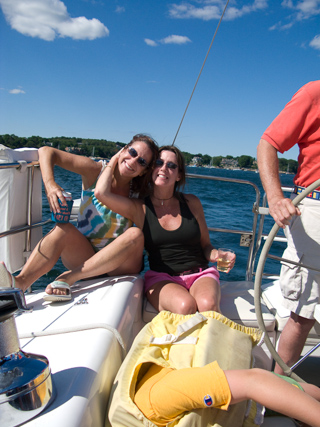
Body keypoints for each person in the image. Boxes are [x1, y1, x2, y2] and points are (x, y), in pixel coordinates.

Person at [0, 134, 159, 301]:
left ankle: (70, 277)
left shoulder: (142, 193)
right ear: (123, 150)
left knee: (134, 235)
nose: (133, 161)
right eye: (132, 152)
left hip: (122, 265)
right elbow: (47, 151)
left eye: (142, 162)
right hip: (86, 257)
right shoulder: (94, 170)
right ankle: (19, 284)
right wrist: (50, 185)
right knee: (63, 230)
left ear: (145, 171)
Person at [94, 145, 236, 315]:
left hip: (200, 274)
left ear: (179, 175)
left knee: (208, 305)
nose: (164, 168)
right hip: (162, 278)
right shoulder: (139, 208)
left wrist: (217, 255)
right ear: (151, 169)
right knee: (185, 306)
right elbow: (101, 193)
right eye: (159, 163)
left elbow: (206, 246)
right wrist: (116, 157)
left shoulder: (192, 203)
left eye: (171, 165)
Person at [257, 80, 320, 374]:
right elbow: (267, 143)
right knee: (305, 310)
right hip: (314, 208)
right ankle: (282, 392)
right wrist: (275, 197)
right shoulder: (313, 93)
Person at [133, 361, 320, 427]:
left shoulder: (155, 398)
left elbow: (254, 381)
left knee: (306, 392)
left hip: (245, 386)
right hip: (242, 391)